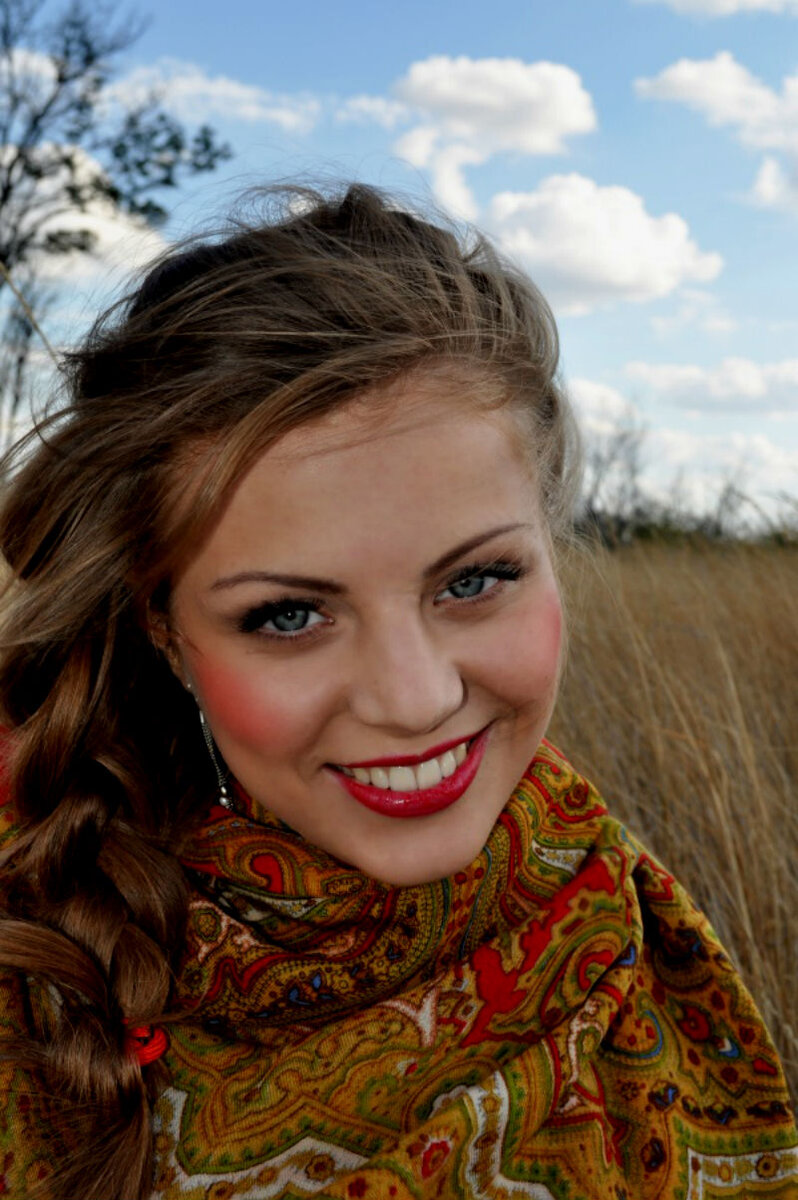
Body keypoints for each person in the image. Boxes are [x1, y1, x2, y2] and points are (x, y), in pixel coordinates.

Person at [0, 184, 795, 1200]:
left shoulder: (631, 923)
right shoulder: (42, 948)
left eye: (474, 580)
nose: (415, 700)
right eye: (290, 614)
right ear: (167, 633)